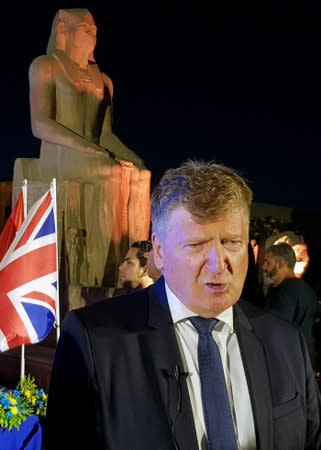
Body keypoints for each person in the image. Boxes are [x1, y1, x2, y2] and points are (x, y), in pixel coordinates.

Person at [45, 160, 321, 450]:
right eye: (196, 245)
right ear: (160, 253)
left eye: (232, 242)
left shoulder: (286, 342)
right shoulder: (93, 341)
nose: (218, 263)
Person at [23, 8, 151, 289]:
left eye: (95, 29)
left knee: (142, 176)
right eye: (84, 27)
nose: (92, 33)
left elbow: (104, 134)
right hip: (57, 154)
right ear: (63, 30)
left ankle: (137, 262)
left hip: (89, 154)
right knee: (111, 173)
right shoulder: (45, 66)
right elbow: (40, 124)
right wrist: (91, 150)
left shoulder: (104, 81)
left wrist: (133, 157)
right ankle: (101, 272)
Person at [262, 242, 319, 356]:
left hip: (288, 359)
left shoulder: (285, 291)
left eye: (268, 262)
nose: (263, 267)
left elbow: (273, 331)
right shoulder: (307, 290)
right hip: (304, 360)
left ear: (281, 264)